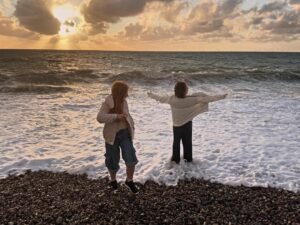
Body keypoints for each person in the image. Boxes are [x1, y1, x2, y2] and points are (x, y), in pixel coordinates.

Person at [148, 81, 227, 164]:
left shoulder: (171, 99)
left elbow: (160, 98)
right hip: (187, 125)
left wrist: (151, 95)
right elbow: (208, 99)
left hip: (176, 126)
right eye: (186, 88)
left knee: (176, 143)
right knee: (187, 143)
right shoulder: (191, 100)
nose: (188, 89)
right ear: (184, 90)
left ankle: (175, 161)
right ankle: (188, 160)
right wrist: (221, 96)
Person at [97, 81, 139, 193]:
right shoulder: (108, 102)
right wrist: (116, 116)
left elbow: (127, 115)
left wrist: (131, 124)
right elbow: (100, 117)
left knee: (131, 157)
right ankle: (113, 180)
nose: (127, 94)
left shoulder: (124, 101)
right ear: (120, 93)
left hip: (125, 133)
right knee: (112, 159)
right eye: (125, 92)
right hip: (112, 135)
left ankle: (129, 181)